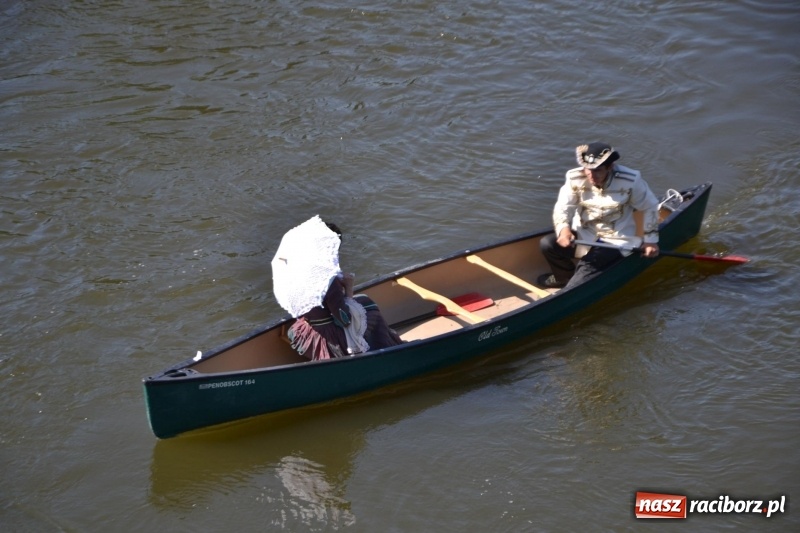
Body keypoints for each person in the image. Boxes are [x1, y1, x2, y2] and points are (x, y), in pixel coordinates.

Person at [537, 142, 660, 290]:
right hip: (585, 233)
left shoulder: (630, 180)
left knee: (589, 265)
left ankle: (569, 291)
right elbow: (563, 206)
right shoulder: (574, 178)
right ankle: (564, 279)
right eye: (588, 170)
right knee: (548, 245)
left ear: (610, 167)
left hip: (615, 240)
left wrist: (650, 241)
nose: (591, 175)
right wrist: (564, 230)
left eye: (597, 171)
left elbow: (650, 206)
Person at [286, 223, 404, 361]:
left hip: (307, 325)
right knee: (371, 309)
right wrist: (348, 287)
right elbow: (344, 320)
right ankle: (386, 349)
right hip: (330, 335)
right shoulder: (328, 282)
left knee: (364, 300)